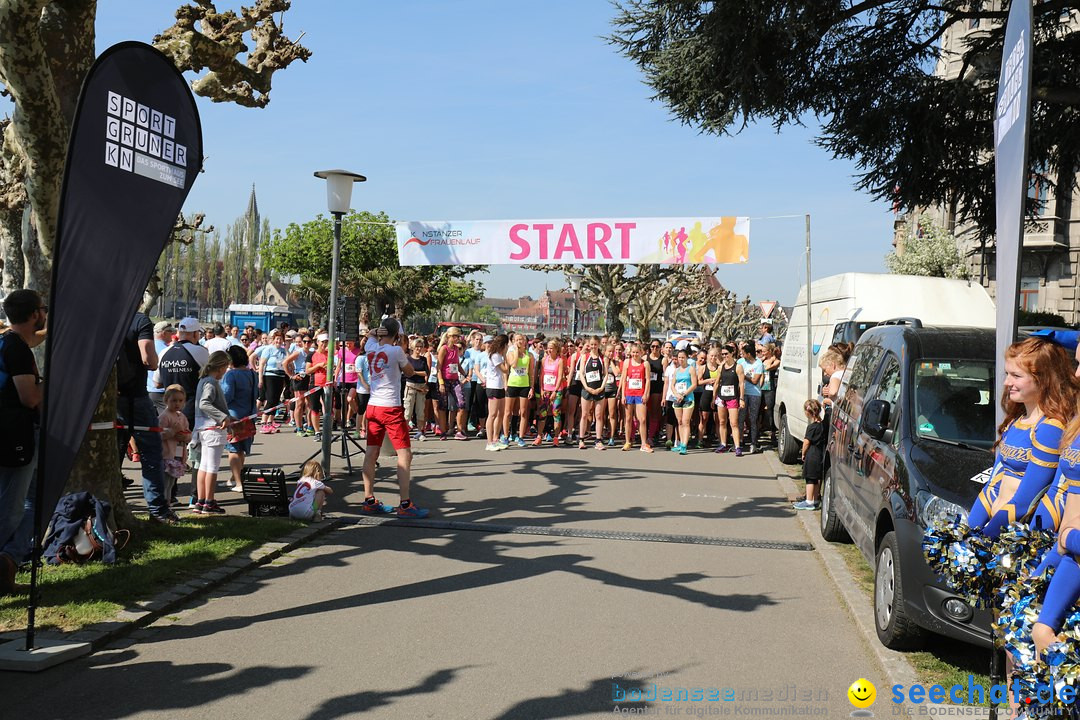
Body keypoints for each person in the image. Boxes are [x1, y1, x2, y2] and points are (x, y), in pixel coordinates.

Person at [0, 290, 45, 594]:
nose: (44, 313)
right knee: (13, 509)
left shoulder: (8, 340)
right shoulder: (16, 349)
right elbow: (29, 398)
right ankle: (5, 562)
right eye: (42, 309)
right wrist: (51, 382)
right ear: (32, 314)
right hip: (16, 437)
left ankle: (7, 565)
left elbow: (32, 339)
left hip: (11, 435)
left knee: (27, 502)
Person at [360, 317, 428, 518]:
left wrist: (376, 331)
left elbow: (371, 335)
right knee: (405, 455)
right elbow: (409, 371)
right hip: (390, 407)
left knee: (371, 453)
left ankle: (369, 499)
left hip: (373, 405)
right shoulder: (396, 351)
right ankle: (405, 504)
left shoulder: (371, 347)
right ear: (397, 335)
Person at [116, 310, 174, 523]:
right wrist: (155, 359)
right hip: (135, 395)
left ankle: (110, 504)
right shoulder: (139, 319)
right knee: (151, 452)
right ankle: (158, 510)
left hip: (108, 396)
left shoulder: (102, 315)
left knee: (115, 452)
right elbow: (149, 359)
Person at [192, 351, 234, 515]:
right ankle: (209, 501)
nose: (226, 371)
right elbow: (204, 403)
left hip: (203, 428)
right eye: (226, 367)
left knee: (204, 465)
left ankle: (201, 501)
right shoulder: (211, 382)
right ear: (221, 366)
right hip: (213, 429)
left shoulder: (203, 380)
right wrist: (222, 417)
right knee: (212, 467)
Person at [155, 316, 209, 431]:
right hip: (191, 409)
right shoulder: (200, 351)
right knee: (186, 444)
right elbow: (210, 378)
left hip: (169, 409)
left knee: (171, 445)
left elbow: (157, 383)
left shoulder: (164, 352)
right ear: (195, 334)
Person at [221, 345, 258, 492]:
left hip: (234, 416)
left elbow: (227, 395)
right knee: (241, 450)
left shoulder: (231, 375)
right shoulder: (252, 373)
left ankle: (239, 482)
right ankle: (234, 478)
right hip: (249, 415)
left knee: (233, 450)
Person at [159, 385, 191, 503]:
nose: (177, 403)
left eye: (180, 401)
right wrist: (172, 431)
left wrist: (186, 437)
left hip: (178, 454)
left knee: (171, 483)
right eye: (174, 400)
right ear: (166, 400)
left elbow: (188, 432)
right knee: (165, 483)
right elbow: (159, 435)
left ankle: (168, 504)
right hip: (167, 455)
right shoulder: (164, 416)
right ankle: (164, 505)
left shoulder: (182, 416)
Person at [619, 342, 654, 452]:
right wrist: (623, 395)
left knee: (642, 419)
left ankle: (644, 443)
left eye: (637, 352)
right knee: (628, 418)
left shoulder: (645, 364)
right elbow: (624, 379)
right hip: (629, 393)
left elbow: (648, 380)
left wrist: (646, 394)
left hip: (640, 394)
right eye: (633, 352)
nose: (635, 354)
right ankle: (627, 442)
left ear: (641, 352)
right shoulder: (626, 362)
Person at [793, 400, 826, 510]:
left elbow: (806, 442)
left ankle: (809, 501)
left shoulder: (811, 427)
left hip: (812, 455)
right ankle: (816, 499)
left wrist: (803, 453)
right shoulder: (822, 425)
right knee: (816, 478)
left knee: (810, 479)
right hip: (820, 454)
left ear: (808, 412)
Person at [713, 344, 745, 456]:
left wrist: (741, 398)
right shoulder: (721, 367)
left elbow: (741, 383)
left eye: (726, 354)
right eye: (722, 354)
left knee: (734, 423)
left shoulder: (738, 367)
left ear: (732, 353)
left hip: (733, 397)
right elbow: (717, 383)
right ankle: (723, 444)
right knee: (722, 421)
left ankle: (737, 446)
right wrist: (714, 398)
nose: (724, 356)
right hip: (721, 398)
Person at [437, 326, 467, 440]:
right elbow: (438, 367)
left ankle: (459, 430)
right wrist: (441, 383)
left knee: (461, 403)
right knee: (443, 406)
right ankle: (443, 431)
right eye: (455, 336)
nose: (457, 339)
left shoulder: (455, 349)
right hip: (444, 380)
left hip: (454, 380)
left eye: (458, 337)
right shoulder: (444, 349)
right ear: (449, 336)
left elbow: (457, 365)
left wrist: (465, 374)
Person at [535, 339, 566, 447]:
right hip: (545, 389)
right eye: (548, 348)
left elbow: (560, 377)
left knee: (556, 413)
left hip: (556, 391)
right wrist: (542, 389)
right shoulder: (544, 360)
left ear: (556, 349)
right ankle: (539, 436)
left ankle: (556, 437)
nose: (549, 350)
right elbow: (541, 376)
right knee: (542, 413)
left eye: (551, 348)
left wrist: (555, 391)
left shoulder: (560, 360)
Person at [666, 347, 697, 455]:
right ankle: (680, 443)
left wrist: (684, 394)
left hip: (688, 398)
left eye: (683, 357)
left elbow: (694, 384)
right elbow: (672, 385)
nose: (681, 359)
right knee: (679, 422)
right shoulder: (676, 370)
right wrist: (676, 394)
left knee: (686, 421)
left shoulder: (691, 369)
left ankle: (684, 444)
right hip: (677, 399)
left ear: (687, 358)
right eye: (679, 357)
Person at [505, 332, 535, 447]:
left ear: (525, 341)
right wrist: (517, 352)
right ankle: (506, 436)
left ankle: (521, 436)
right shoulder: (511, 353)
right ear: (513, 342)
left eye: (521, 340)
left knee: (522, 412)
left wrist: (531, 387)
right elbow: (513, 365)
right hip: (512, 384)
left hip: (524, 385)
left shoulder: (530, 355)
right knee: (508, 412)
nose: (519, 342)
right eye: (517, 340)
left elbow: (531, 373)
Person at [578, 336, 607, 450]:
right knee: (584, 414)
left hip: (599, 389)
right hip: (587, 389)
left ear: (599, 344)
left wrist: (601, 388)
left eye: (596, 344)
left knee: (599, 415)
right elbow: (581, 374)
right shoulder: (584, 357)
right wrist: (586, 387)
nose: (594, 347)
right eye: (592, 344)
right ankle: (581, 439)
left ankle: (598, 440)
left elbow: (605, 375)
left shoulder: (602, 358)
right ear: (589, 345)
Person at [257, 330, 288, 433]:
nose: (279, 341)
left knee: (275, 400)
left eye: (280, 339)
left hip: (280, 376)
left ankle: (271, 422)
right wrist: (260, 379)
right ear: (274, 340)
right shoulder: (268, 349)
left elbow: (288, 361)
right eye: (277, 339)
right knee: (270, 399)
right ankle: (264, 422)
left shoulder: (283, 351)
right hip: (269, 376)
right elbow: (261, 364)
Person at [737, 342, 765, 454]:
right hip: (742, 393)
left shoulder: (758, 363)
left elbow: (755, 380)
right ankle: (739, 441)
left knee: (753, 419)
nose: (742, 355)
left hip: (754, 393)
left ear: (749, 354)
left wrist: (743, 375)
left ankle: (753, 443)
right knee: (740, 418)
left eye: (743, 353)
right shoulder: (740, 362)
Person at [484, 334, 510, 452]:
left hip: (499, 386)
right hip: (493, 386)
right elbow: (505, 369)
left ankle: (495, 438)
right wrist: (505, 356)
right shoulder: (495, 356)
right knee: (492, 414)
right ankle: (489, 442)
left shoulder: (499, 355)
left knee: (500, 413)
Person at [404, 337, 430, 440]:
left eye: (420, 347)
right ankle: (405, 431)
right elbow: (407, 372)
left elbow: (426, 372)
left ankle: (420, 431)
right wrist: (413, 373)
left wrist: (414, 372)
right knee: (408, 410)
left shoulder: (423, 359)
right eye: (417, 347)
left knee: (420, 411)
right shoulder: (408, 359)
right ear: (413, 348)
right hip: (410, 386)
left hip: (421, 387)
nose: (418, 349)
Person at [148, 320, 173, 413]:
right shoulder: (166, 350)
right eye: (170, 332)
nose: (172, 334)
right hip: (161, 391)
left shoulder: (148, 346)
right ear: (164, 333)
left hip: (149, 390)